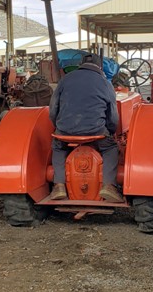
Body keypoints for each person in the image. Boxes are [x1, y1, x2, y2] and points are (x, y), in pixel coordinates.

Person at [47, 54, 123, 202]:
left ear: (80, 64)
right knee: (111, 147)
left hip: (64, 131)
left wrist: (58, 126)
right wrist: (112, 131)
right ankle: (109, 186)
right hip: (95, 131)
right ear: (100, 67)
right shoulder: (105, 83)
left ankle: (59, 186)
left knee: (58, 147)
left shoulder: (65, 80)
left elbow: (53, 109)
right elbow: (113, 116)